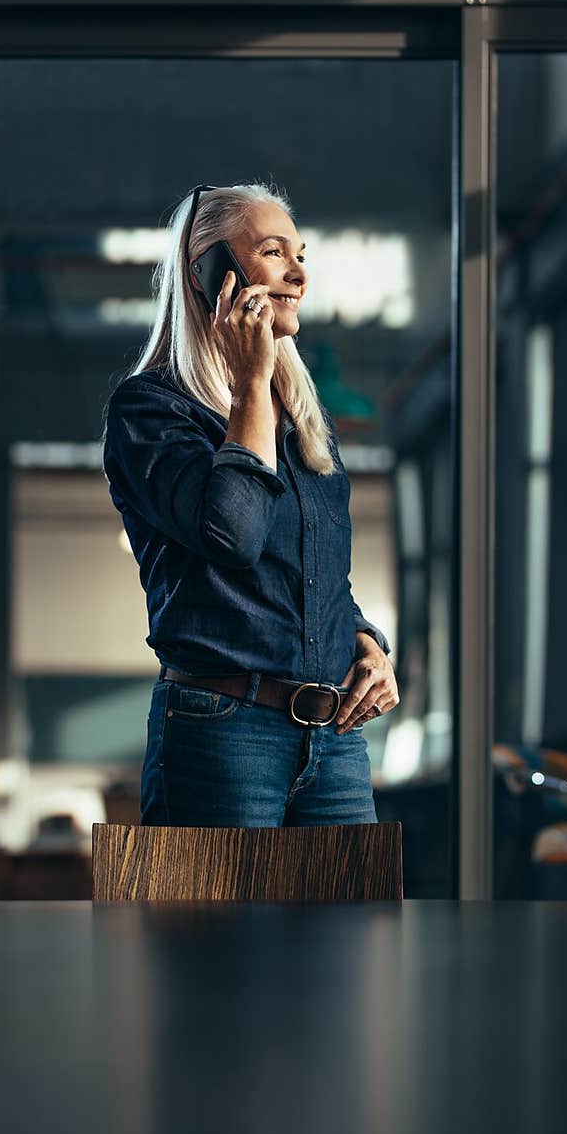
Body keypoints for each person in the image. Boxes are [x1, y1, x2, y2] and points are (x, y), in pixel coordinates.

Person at [102, 182, 399, 827]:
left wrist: (365, 642)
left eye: (301, 255)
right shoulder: (151, 410)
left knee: (353, 929)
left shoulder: (302, 421)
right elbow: (233, 534)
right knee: (220, 932)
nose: (298, 274)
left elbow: (321, 579)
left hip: (335, 741)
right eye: (273, 253)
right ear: (208, 273)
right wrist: (250, 387)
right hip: (221, 733)